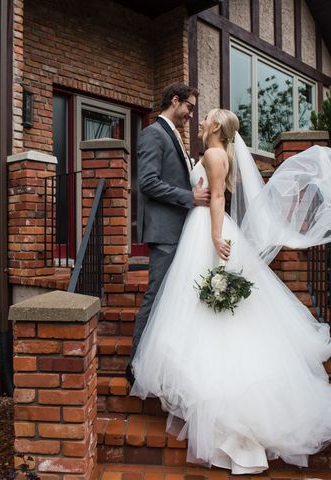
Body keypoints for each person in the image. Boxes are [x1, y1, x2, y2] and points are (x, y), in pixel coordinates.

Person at [130, 107, 331, 474]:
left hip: (208, 232)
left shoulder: (213, 154)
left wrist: (216, 237)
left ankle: (232, 420)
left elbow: (217, 198)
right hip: (200, 229)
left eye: (206, 119)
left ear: (216, 126)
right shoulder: (216, 153)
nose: (200, 122)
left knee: (210, 314)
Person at [128, 83, 211, 383]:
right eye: (189, 106)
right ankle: (136, 364)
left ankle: (165, 363)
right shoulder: (153, 133)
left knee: (173, 298)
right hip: (164, 232)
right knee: (156, 295)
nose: (191, 114)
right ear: (175, 101)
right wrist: (190, 198)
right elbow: (148, 182)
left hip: (181, 232)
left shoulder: (173, 135)